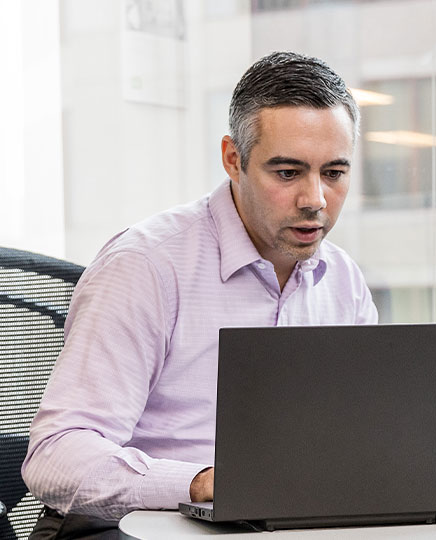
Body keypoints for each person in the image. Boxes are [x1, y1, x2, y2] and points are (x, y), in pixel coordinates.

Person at [22, 51, 377, 537]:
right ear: (234, 159)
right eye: (287, 172)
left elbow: (359, 435)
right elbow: (56, 455)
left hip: (277, 524)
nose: (314, 199)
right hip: (133, 528)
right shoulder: (147, 264)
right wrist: (200, 483)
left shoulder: (343, 280)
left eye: (334, 173)